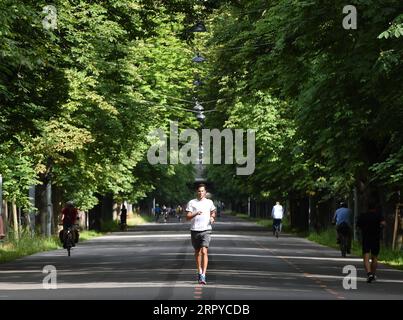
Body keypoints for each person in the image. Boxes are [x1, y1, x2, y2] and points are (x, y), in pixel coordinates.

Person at [186, 184, 216, 285]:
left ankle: (203, 274)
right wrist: (195, 213)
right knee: (197, 252)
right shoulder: (192, 202)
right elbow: (188, 217)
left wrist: (212, 217)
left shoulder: (209, 202)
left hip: (206, 229)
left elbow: (213, 211)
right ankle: (199, 271)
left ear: (205, 192)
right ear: (196, 192)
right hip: (195, 230)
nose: (201, 193)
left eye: (202, 191)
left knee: (204, 251)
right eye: (199, 191)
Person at [356, 199, 386, 283]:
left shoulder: (363, 215)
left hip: (366, 238)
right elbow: (383, 224)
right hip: (376, 237)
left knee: (366, 256)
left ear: (367, 207)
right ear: (375, 208)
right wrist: (380, 227)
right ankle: (372, 274)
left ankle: (369, 274)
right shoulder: (378, 215)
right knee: (374, 257)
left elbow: (358, 226)